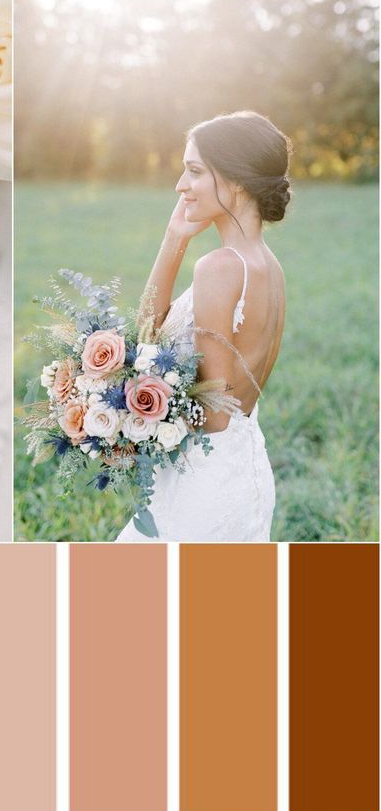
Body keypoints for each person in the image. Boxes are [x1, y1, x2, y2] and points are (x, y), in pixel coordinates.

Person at [116, 111, 289, 543]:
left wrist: (143, 417)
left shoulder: (220, 267)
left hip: (201, 488)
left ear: (235, 181)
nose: (180, 185)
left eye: (194, 171)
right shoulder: (269, 265)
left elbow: (213, 412)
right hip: (244, 467)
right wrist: (175, 238)